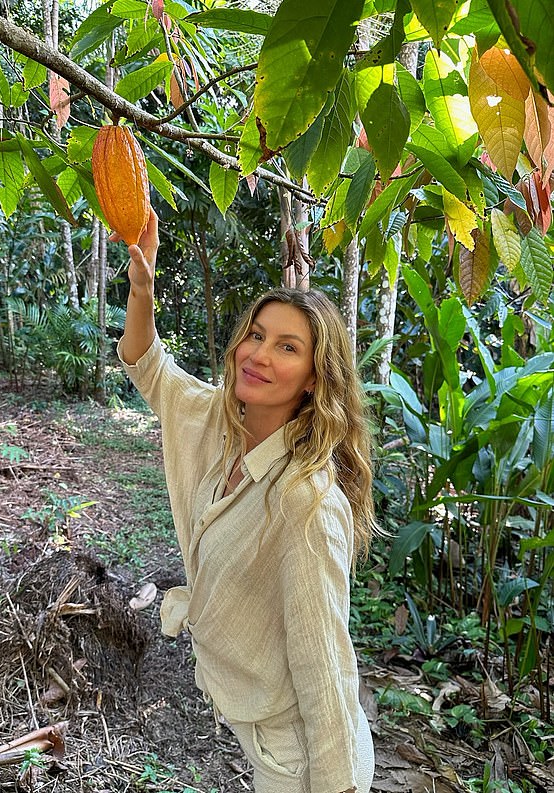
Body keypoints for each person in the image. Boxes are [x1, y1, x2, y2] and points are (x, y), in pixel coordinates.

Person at [115, 208, 378, 793]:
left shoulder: (305, 502)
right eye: (256, 336)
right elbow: (147, 366)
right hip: (256, 727)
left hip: (297, 756)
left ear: (315, 376)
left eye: (287, 347)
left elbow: (327, 668)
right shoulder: (220, 422)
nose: (258, 355)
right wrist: (142, 284)